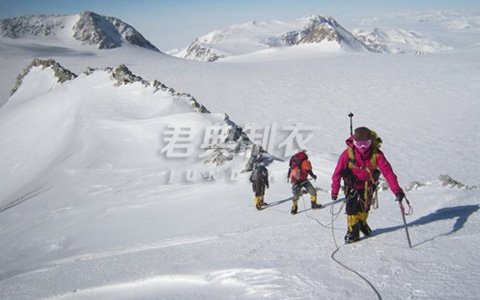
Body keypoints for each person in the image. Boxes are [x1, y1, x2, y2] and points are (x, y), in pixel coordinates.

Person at [331, 127, 405, 243]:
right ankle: (352, 231)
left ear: (371, 141)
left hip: (368, 185)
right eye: (359, 144)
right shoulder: (347, 154)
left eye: (366, 143)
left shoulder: (377, 154)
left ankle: (362, 222)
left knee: (365, 206)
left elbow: (388, 172)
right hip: (352, 185)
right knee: (351, 207)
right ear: (354, 142)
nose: (363, 147)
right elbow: (337, 173)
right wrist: (334, 191)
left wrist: (397, 191)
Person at [288, 150, 322, 215]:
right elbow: (292, 178)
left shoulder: (307, 165)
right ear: (303, 167)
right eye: (306, 169)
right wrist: (296, 184)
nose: (307, 170)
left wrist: (313, 176)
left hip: (304, 180)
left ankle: (314, 204)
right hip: (297, 183)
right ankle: (294, 208)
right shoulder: (297, 169)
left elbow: (310, 171)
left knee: (313, 192)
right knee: (296, 196)